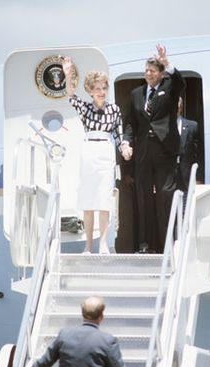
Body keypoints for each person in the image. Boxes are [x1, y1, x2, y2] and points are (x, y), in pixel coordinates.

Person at [62, 57, 132, 254]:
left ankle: (102, 242)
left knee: (103, 199)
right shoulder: (85, 108)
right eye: (98, 89)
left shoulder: (114, 109)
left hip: (105, 151)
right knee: (88, 200)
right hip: (89, 152)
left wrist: (125, 148)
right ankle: (88, 245)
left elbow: (119, 135)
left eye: (104, 88)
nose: (102, 92)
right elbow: (70, 96)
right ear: (91, 91)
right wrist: (68, 75)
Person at [125, 45, 185, 253]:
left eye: (152, 70)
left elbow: (180, 82)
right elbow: (131, 123)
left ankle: (167, 244)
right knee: (144, 198)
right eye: (146, 70)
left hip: (164, 151)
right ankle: (145, 245)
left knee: (165, 196)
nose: (148, 73)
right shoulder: (136, 94)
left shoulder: (169, 87)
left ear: (160, 74)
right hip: (142, 154)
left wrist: (167, 62)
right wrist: (126, 142)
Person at [16, 296, 134, 367]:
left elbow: (41, 365)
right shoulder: (108, 341)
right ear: (101, 317)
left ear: (82, 314)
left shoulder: (64, 335)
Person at [176, 96, 199, 201]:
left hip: (186, 176)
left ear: (180, 108)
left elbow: (198, 154)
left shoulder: (192, 126)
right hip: (167, 178)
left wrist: (198, 177)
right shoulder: (161, 128)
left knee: (185, 207)